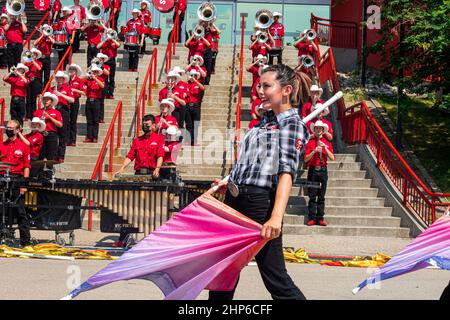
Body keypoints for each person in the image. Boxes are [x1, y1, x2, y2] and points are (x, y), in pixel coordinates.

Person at [209, 64, 308, 300]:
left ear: (286, 90)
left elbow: (286, 173)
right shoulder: (264, 122)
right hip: (235, 198)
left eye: (266, 86)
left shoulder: (291, 124)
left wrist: (276, 218)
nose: (260, 90)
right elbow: (254, 163)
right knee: (224, 270)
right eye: (259, 85)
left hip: (259, 203)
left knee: (274, 276)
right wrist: (231, 182)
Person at [0, 120, 31, 247]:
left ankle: (25, 242)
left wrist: (24, 184)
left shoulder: (24, 146)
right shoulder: (2, 145)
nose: (8, 130)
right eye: (7, 127)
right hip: (3, 178)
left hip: (17, 179)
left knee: (20, 211)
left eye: (11, 128)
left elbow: (27, 167)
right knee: (1, 209)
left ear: (18, 130)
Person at [304, 120, 335, 227]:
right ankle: (312, 218)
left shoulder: (327, 143)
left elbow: (332, 158)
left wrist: (325, 148)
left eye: (320, 129)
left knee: (321, 196)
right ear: (314, 130)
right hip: (312, 170)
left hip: (322, 170)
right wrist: (314, 152)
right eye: (316, 128)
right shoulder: (310, 142)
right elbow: (305, 160)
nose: (318, 130)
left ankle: (320, 218)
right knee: (312, 195)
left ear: (323, 130)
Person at [48, 71, 74, 162]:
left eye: (61, 78)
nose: (59, 80)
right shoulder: (51, 89)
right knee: (54, 135)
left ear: (63, 79)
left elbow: (72, 100)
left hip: (63, 111)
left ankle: (61, 155)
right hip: (54, 111)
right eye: (57, 78)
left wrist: (61, 94)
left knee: (62, 135)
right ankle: (54, 155)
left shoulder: (67, 88)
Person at [34, 92, 63, 161]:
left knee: (51, 156)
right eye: (44, 99)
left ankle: (49, 170)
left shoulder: (56, 112)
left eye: (48, 99)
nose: (45, 101)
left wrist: (49, 117)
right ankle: (40, 170)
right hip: (40, 134)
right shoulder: (37, 112)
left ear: (52, 101)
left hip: (51, 135)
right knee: (40, 155)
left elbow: (60, 125)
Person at [82, 65, 105, 143]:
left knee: (95, 120)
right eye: (93, 71)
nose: (94, 73)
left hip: (96, 101)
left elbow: (102, 86)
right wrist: (87, 74)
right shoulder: (88, 80)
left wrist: (96, 79)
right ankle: (89, 137)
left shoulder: (100, 79)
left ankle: (95, 137)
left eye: (95, 72)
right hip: (89, 100)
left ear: (98, 73)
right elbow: (80, 80)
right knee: (89, 120)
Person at [97, 29, 121, 98]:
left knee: (112, 78)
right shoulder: (105, 41)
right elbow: (98, 46)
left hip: (112, 60)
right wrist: (105, 39)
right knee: (105, 78)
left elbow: (118, 45)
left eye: (111, 33)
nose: (109, 34)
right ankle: (105, 93)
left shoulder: (115, 41)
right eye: (108, 33)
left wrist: (112, 39)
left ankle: (110, 94)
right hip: (105, 61)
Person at [67, 64, 86, 146]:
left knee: (73, 121)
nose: (71, 71)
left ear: (76, 71)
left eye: (73, 69)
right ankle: (67, 140)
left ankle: (73, 140)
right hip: (67, 101)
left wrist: (75, 90)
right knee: (67, 121)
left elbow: (84, 92)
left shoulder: (79, 80)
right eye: (70, 69)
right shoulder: (66, 80)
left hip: (75, 100)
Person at [185, 70, 205, 145]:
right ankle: (188, 140)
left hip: (196, 105)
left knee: (196, 124)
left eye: (194, 75)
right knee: (188, 124)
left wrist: (195, 81)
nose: (193, 76)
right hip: (188, 105)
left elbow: (203, 88)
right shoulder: (187, 84)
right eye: (192, 75)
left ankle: (195, 141)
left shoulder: (198, 84)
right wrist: (188, 80)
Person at [23, 48, 43, 121]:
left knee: (33, 99)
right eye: (32, 54)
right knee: (28, 99)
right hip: (28, 80)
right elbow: (23, 69)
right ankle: (28, 115)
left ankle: (34, 115)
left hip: (35, 81)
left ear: (37, 55)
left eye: (34, 54)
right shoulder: (27, 63)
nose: (33, 55)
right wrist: (27, 62)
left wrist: (33, 61)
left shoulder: (39, 62)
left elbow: (39, 69)